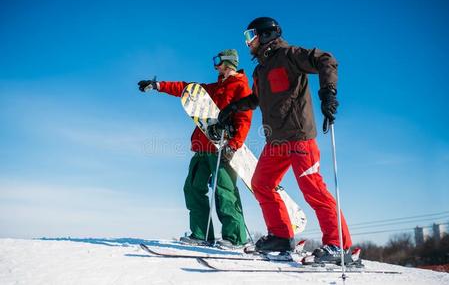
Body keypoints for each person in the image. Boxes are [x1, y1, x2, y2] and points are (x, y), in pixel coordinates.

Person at [217, 17, 352, 262]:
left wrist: (328, 93)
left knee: (313, 190)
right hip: (276, 142)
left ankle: (338, 245)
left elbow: (326, 60)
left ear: (265, 35)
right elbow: (256, 99)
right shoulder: (260, 70)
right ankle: (280, 236)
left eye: (250, 37)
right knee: (261, 183)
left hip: (300, 138)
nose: (248, 43)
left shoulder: (290, 55)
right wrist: (233, 107)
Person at [138, 49, 253, 249]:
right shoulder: (213, 87)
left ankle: (235, 238)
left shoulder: (241, 88)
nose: (215, 65)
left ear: (228, 63)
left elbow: (245, 120)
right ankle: (201, 234)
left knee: (224, 191)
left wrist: (233, 145)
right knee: (192, 188)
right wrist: (157, 85)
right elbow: (185, 89)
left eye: (218, 61)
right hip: (202, 147)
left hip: (222, 148)